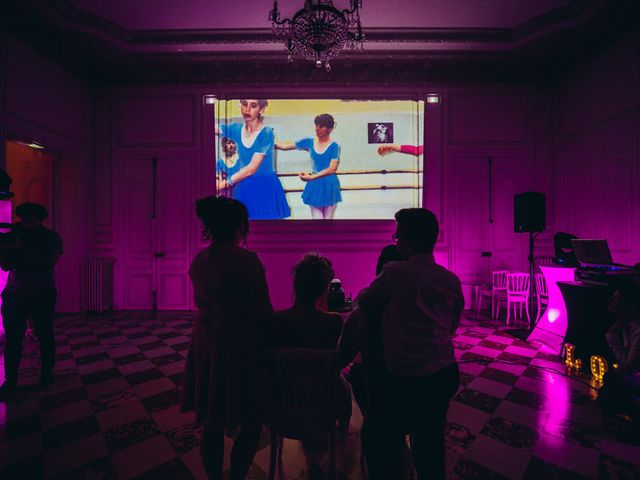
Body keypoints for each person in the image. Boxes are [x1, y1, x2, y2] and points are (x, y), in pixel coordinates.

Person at [357, 208, 464, 480]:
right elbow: (452, 326)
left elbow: (366, 302)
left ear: (408, 241)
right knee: (431, 443)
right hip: (442, 373)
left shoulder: (394, 273)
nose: (396, 241)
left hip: (403, 377)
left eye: (398, 236)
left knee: (381, 435)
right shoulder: (450, 280)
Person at [180, 196, 273, 480]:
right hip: (240, 346)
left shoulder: (200, 260)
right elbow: (262, 311)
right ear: (239, 227)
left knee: (211, 420)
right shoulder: (247, 261)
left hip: (207, 343)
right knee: (251, 420)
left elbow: (201, 301)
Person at [270, 253, 352, 435]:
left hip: (285, 396)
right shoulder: (334, 322)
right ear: (323, 288)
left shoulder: (277, 320)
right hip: (322, 398)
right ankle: (342, 435)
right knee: (345, 385)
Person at [0, 202, 63, 395]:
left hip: (41, 292)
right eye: (23, 218)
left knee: (44, 334)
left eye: (31, 218)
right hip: (16, 292)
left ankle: (46, 373)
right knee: (13, 338)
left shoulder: (50, 236)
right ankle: (10, 380)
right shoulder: (13, 236)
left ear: (40, 218)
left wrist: (21, 249)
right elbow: (5, 265)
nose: (26, 222)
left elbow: (48, 262)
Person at [216, 99, 291, 220]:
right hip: (243, 187)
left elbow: (252, 168)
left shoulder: (266, 133)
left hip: (265, 188)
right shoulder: (235, 129)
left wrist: (222, 184)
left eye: (253, 106)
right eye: (244, 104)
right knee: (242, 229)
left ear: (261, 109)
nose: (247, 109)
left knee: (265, 231)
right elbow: (209, 126)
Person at [276, 114, 342, 219]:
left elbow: (332, 168)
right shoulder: (309, 142)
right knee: (317, 218)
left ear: (329, 129)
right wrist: (268, 141)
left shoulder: (334, 146)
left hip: (329, 184)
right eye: (316, 125)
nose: (317, 128)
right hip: (315, 184)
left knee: (328, 218)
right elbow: (284, 147)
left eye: (321, 126)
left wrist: (312, 177)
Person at [598, 282, 640, 434]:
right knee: (610, 387)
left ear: (631, 307)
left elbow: (629, 366)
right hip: (633, 376)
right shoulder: (627, 325)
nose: (610, 300)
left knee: (612, 379)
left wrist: (612, 339)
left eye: (616, 298)